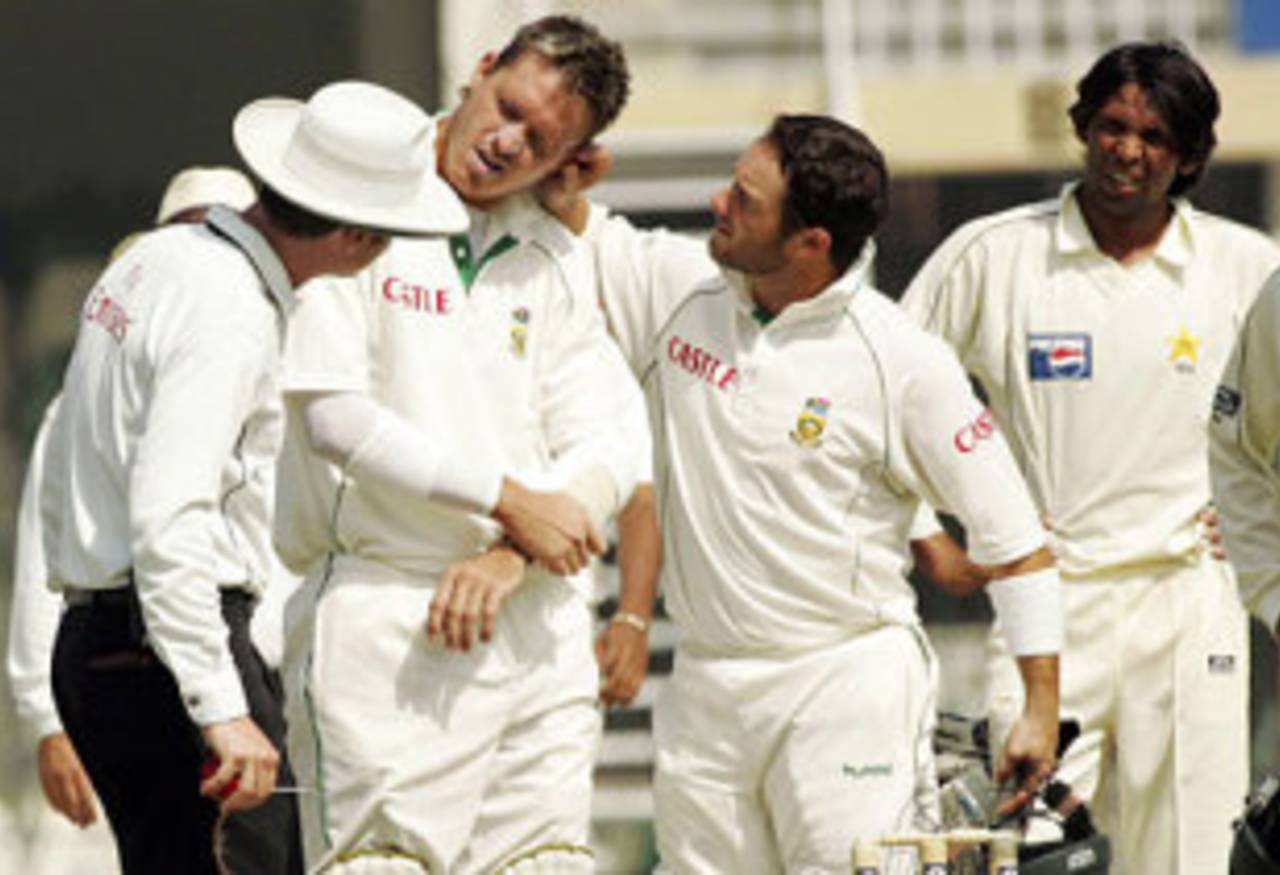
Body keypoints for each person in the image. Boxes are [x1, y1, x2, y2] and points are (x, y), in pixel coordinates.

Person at [540, 113, 1062, 872]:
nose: (720, 203)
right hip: (707, 684)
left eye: (745, 200)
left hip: (844, 682)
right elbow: (581, 229)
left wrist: (1040, 708)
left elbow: (1017, 544)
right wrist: (557, 178)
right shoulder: (679, 290)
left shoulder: (901, 359)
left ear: (812, 243)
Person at [37, 81, 473, 875]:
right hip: (167, 651)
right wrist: (220, 704)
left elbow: (66, 471)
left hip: (110, 640)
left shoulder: (159, 260)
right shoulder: (232, 310)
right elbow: (170, 517)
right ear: (355, 239)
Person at [273, 15, 650, 874]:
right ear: (479, 70)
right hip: (387, 616)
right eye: (508, 107)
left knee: (548, 862)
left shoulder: (554, 250)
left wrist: (512, 553)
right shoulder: (359, 189)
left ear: (568, 162)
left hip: (535, 622)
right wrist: (507, 501)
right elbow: (335, 417)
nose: (506, 143)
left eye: (541, 140)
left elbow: (613, 437)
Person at [901, 41, 1280, 875]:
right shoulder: (993, 254)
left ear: (1189, 155)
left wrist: (1257, 530)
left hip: (1189, 601)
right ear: (1083, 127)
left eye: (1155, 135)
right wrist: (933, 536)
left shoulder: (1248, 266)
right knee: (1024, 854)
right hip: (1048, 601)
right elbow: (885, 391)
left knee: (1189, 857)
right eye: (1112, 126)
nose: (1128, 151)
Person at [6, 166, 256, 832]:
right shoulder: (89, 391)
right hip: (149, 655)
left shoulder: (266, 358)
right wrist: (43, 713)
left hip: (260, 663)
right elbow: (49, 545)